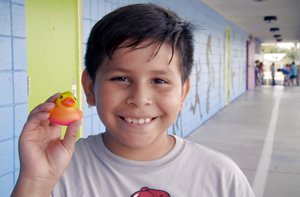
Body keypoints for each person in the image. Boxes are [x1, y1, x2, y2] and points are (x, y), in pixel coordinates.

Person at [12, 3, 255, 197]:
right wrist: (35, 180)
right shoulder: (57, 171)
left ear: (182, 93)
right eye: (121, 78)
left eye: (159, 81)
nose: (140, 99)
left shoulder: (221, 177)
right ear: (90, 88)